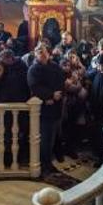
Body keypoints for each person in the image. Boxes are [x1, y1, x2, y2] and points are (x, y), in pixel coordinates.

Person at [27, 44, 64, 175]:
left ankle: (49, 162)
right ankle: (45, 164)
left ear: (48, 53)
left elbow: (61, 79)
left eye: (44, 52)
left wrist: (57, 94)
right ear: (36, 54)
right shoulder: (33, 69)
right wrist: (49, 95)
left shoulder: (55, 66)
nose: (42, 55)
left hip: (56, 106)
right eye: (39, 53)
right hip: (44, 109)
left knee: (53, 137)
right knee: (45, 139)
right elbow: (34, 86)